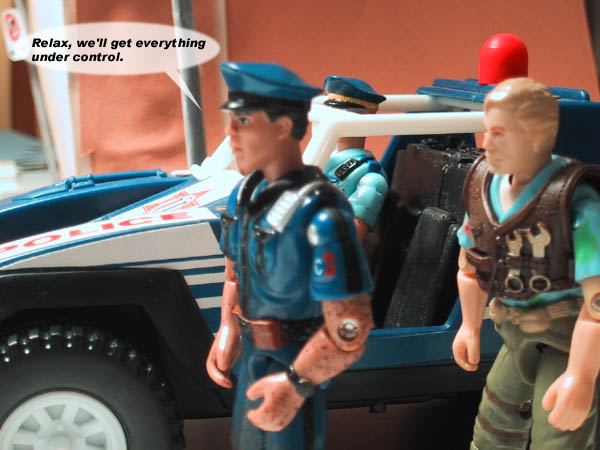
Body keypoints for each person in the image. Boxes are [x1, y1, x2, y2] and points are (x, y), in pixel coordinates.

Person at [206, 62, 374, 450]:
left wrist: (296, 384)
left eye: (243, 122)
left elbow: (351, 325)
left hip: (295, 363)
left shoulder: (321, 215)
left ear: (282, 127)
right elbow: (235, 272)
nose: (230, 134)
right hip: (251, 358)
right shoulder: (244, 197)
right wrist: (227, 328)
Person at [453, 77, 600, 450]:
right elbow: (470, 263)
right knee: (494, 424)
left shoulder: (574, 203)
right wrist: (469, 326)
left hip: (566, 339)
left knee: (557, 433)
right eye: (487, 131)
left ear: (537, 135)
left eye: (500, 134)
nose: (487, 144)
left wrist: (581, 375)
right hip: (513, 329)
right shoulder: (482, 186)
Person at [322, 75, 388, 240]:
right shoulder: (323, 157)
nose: (332, 119)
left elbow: (351, 239)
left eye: (342, 114)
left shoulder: (371, 178)